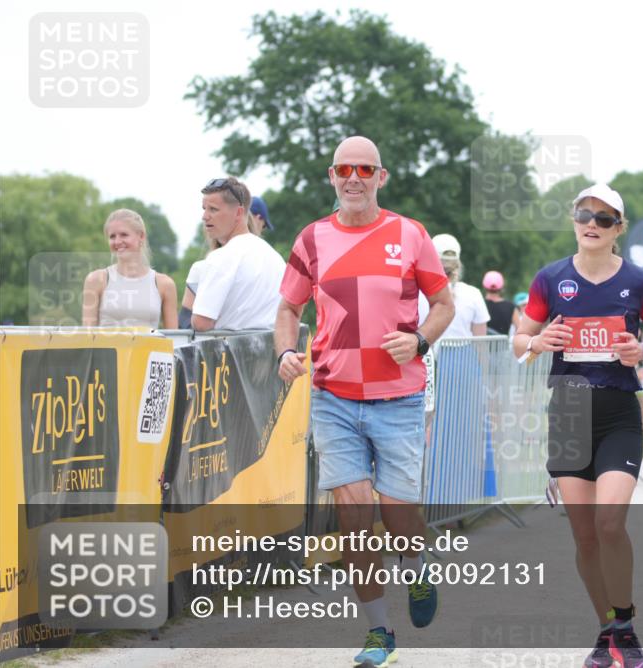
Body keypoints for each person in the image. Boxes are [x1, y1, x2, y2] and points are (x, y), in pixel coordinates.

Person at [274, 136, 455, 667]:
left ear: (382, 177)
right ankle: (380, 632)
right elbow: (287, 309)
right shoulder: (311, 239)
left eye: (365, 169)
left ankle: (416, 569)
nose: (354, 178)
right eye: (345, 169)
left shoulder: (410, 234)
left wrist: (419, 340)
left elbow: (443, 304)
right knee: (354, 516)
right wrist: (285, 351)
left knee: (398, 515)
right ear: (332, 176)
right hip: (333, 397)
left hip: (398, 397)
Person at [513, 183, 643, 668]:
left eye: (605, 219)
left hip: (618, 413)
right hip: (568, 413)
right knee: (584, 536)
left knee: (610, 522)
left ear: (619, 229)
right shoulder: (550, 278)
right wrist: (539, 342)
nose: (593, 225)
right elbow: (520, 339)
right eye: (585, 215)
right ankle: (607, 633)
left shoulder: (640, 281)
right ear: (574, 220)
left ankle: (626, 628)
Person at [191, 177, 285, 331]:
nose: (205, 216)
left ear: (238, 213)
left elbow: (201, 323)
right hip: (276, 344)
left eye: (213, 209)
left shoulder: (221, 257)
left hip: (232, 346)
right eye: (204, 208)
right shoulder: (276, 258)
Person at [82, 208, 177, 328]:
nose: (117, 241)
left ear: (141, 236)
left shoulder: (165, 284)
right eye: (112, 236)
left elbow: (173, 336)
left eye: (124, 235)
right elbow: (87, 334)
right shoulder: (95, 280)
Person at [432, 233, 489, 338]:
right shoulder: (473, 293)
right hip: (464, 349)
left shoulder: (417, 293)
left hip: (427, 349)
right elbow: (480, 341)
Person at [482, 270, 520, 336]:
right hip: (503, 342)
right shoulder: (511, 307)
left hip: (481, 342)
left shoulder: (479, 304)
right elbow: (519, 329)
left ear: (484, 286)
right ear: (502, 287)